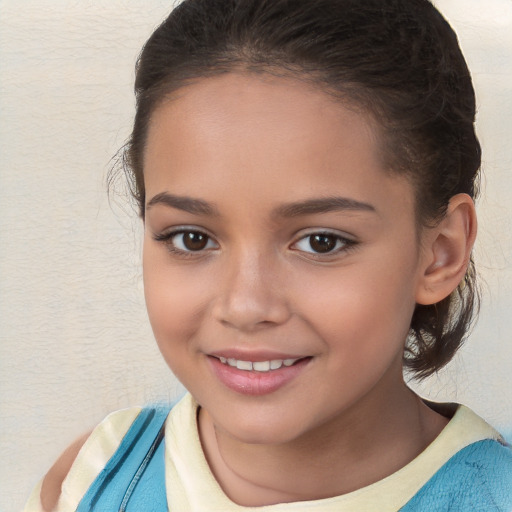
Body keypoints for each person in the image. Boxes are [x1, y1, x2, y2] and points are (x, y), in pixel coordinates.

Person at [24, 0, 512, 510]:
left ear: (440, 253)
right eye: (192, 238)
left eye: (321, 241)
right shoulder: (92, 479)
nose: (245, 305)